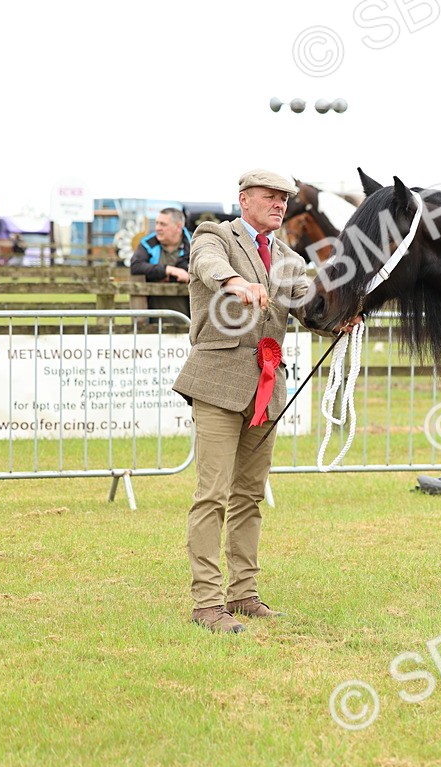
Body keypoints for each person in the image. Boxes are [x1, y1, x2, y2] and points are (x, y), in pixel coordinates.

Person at [171, 169, 357, 634]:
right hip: (217, 384)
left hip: (264, 393)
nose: (280, 204)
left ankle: (244, 594)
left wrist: (338, 318)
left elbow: (309, 307)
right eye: (270, 196)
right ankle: (207, 604)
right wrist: (236, 281)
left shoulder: (289, 259)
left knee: (250, 497)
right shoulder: (215, 235)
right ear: (244, 198)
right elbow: (209, 265)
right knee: (211, 495)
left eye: (284, 198)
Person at [130, 207, 192, 318]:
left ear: (178, 227)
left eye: (163, 224)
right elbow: (136, 266)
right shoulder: (148, 243)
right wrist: (168, 270)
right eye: (157, 223)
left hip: (190, 320)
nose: (158, 228)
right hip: (153, 321)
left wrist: (189, 276)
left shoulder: (195, 244)